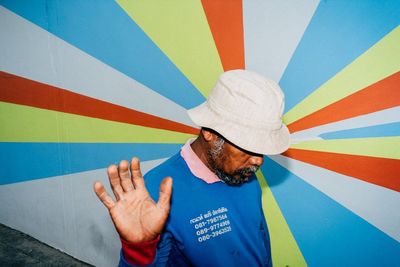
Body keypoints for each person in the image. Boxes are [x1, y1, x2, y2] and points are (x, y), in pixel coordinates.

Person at [94, 69, 290, 266]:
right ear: (210, 133)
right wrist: (138, 250)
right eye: (248, 146)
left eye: (262, 148)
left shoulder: (241, 172)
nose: (258, 161)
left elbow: (259, 239)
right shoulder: (156, 192)